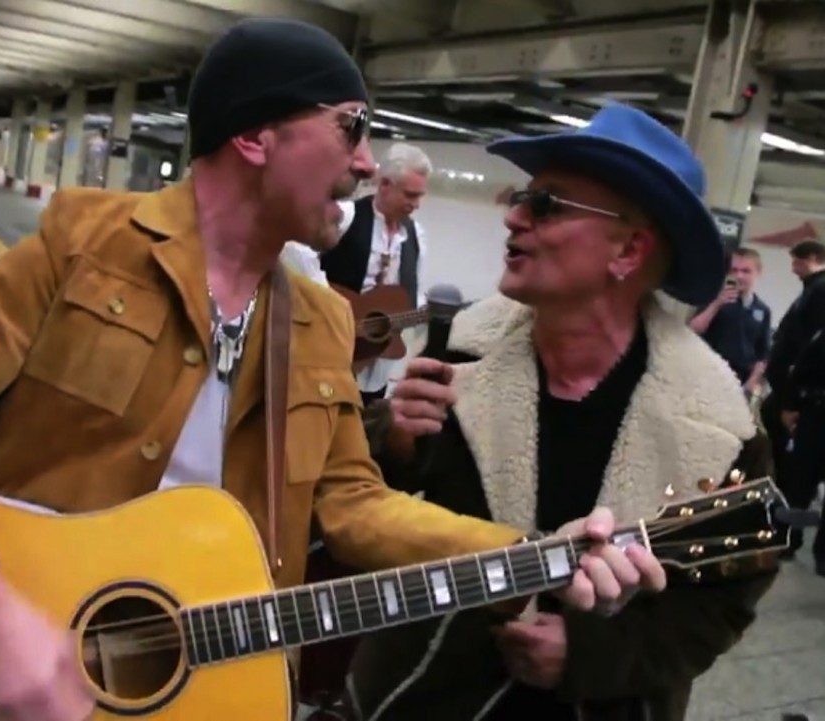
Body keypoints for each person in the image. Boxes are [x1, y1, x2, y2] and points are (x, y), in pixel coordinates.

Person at [0, 22, 664, 721]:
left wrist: (532, 552)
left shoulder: (318, 318)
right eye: (351, 127)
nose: (366, 163)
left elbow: (354, 505)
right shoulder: (82, 248)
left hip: (194, 685)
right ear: (258, 135)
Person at [347, 103, 778, 721]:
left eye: (546, 203)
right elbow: (361, 507)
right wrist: (395, 444)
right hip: (427, 694)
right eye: (523, 197)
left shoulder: (720, 428)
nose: (514, 216)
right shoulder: (457, 350)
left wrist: (591, 656)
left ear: (628, 250)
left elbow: (721, 603)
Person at [320, 143, 431, 404]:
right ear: (384, 184)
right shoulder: (345, 218)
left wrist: (421, 312)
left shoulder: (417, 236)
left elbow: (412, 294)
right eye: (409, 195)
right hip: (330, 354)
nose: (415, 205)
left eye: (419, 196)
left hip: (379, 364)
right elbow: (299, 273)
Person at [765, 239, 825, 572]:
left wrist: (791, 399)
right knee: (798, 477)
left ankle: (791, 540)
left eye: (797, 259)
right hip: (806, 399)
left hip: (809, 403)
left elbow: (805, 351)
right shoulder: (812, 291)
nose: (793, 266)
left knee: (799, 477)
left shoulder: (819, 292)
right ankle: (792, 540)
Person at [689, 246, 772, 397]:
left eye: (746, 271)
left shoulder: (763, 310)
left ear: (758, 273)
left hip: (741, 382)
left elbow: (763, 354)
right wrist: (717, 304)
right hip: (707, 376)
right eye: (734, 270)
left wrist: (750, 384)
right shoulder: (712, 298)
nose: (739, 276)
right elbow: (693, 330)